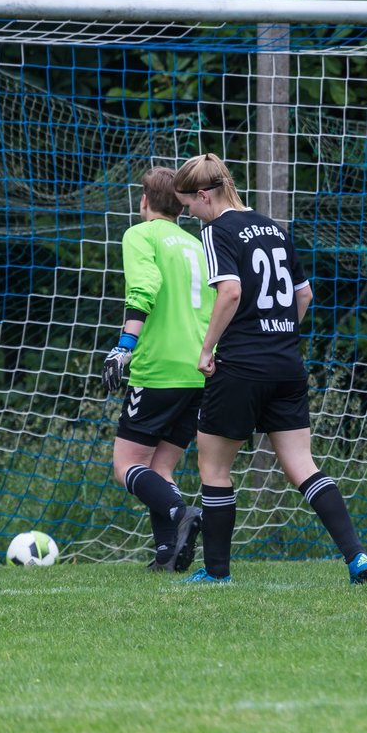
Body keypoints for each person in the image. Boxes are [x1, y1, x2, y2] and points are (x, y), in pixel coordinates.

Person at [172, 153, 367, 585]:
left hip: (241, 365)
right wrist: (277, 337)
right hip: (286, 363)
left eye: (188, 204)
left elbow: (230, 292)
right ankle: (356, 556)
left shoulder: (217, 231)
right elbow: (305, 296)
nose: (188, 213)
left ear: (204, 195)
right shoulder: (274, 230)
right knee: (303, 465)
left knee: (214, 468)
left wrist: (208, 350)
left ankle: (217, 572)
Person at [101, 166, 210, 571]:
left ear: (144, 200)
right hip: (199, 368)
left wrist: (124, 346)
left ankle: (180, 513)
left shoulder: (140, 234)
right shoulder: (197, 244)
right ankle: (168, 553)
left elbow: (143, 286)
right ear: (181, 205)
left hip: (159, 367)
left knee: (126, 464)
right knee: (159, 466)